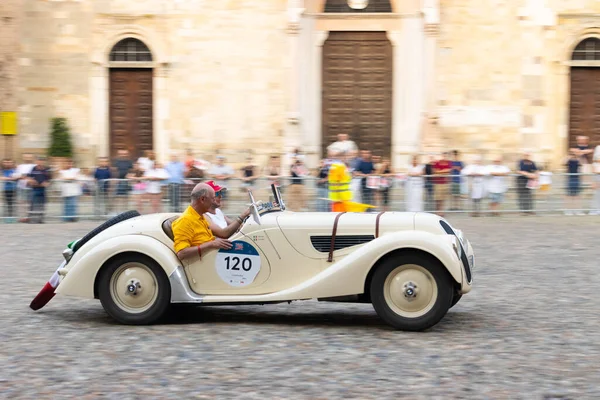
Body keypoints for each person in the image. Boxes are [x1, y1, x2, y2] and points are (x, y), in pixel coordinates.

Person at [172, 183, 233, 261]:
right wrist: (211, 244)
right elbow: (181, 253)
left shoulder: (201, 216)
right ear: (202, 199)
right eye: (213, 198)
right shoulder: (185, 220)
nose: (214, 202)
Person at [27, 155, 52, 224]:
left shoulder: (47, 169)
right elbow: (29, 178)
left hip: (43, 190)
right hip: (35, 189)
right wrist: (31, 181)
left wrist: (47, 183)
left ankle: (40, 219)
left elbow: (49, 180)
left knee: (42, 204)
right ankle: (32, 219)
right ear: (36, 161)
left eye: (42, 160)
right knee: (33, 204)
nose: (40, 162)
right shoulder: (33, 169)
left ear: (44, 161)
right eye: (39, 160)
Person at [564, 149, 582, 215]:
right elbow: (563, 163)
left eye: (574, 153)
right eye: (572, 153)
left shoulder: (578, 160)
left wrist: (579, 156)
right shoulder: (568, 160)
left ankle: (577, 210)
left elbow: (582, 164)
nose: (573, 154)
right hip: (570, 179)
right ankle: (568, 210)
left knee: (577, 195)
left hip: (576, 179)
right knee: (569, 195)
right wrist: (568, 156)